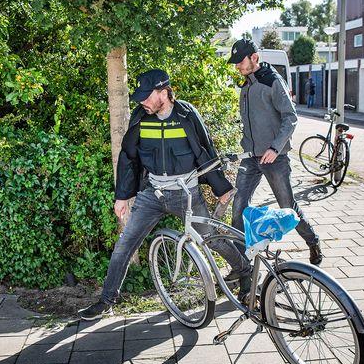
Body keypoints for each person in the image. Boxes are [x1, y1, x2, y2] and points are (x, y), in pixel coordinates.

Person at [79, 69, 251, 321]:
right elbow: (128, 157)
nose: (142, 101)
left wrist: (221, 188)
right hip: (153, 194)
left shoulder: (186, 115)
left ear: (163, 92)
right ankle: (106, 301)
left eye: (146, 96)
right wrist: (121, 196)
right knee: (125, 245)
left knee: (212, 239)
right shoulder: (140, 118)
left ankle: (244, 272)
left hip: (187, 194)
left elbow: (206, 150)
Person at [227, 39, 323, 265]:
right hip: (250, 158)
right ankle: (241, 265)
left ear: (254, 58)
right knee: (238, 208)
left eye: (240, 61)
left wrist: (274, 147)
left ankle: (313, 241)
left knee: (287, 206)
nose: (237, 66)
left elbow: (291, 117)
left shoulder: (273, 81)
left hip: (274, 158)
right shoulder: (246, 85)